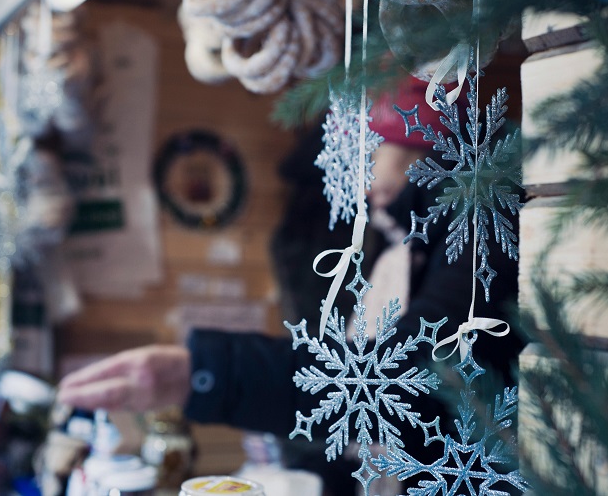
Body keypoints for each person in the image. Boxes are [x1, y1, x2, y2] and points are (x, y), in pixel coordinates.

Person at [57, 76, 525, 493]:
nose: (362, 187)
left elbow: (406, 378)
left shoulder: (482, 228)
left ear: (418, 141)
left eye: (368, 155)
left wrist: (207, 374)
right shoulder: (407, 243)